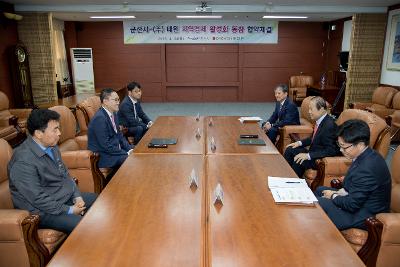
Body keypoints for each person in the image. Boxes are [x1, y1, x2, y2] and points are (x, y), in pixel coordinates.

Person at [8, 109, 97, 234]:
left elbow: (65, 175)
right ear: (39, 134)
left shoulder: (52, 146)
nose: (59, 133)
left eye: (58, 128)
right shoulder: (23, 161)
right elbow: (37, 198)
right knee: (84, 226)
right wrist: (70, 210)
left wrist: (77, 196)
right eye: (55, 129)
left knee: (99, 202)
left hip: (61, 198)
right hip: (40, 211)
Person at [315, 119, 391, 230]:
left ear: (360, 145)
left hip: (364, 214)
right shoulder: (366, 154)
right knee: (319, 189)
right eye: (339, 145)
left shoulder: (367, 167)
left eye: (344, 146)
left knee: (318, 202)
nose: (341, 150)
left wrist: (333, 195)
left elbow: (352, 205)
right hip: (358, 201)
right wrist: (339, 192)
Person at [283, 96, 340, 177]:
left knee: (299, 159)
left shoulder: (329, 126)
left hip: (319, 158)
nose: (309, 112)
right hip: (313, 152)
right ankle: (285, 175)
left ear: (321, 109)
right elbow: (314, 138)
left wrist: (308, 156)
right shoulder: (320, 121)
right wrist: (299, 143)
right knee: (290, 149)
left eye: (311, 109)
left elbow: (331, 150)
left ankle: (293, 183)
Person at [88, 88, 133, 171]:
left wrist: (130, 149)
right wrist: (125, 153)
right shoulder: (100, 118)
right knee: (131, 159)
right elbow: (105, 145)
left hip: (114, 151)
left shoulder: (113, 114)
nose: (118, 102)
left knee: (137, 150)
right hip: (104, 156)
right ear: (105, 101)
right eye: (115, 100)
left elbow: (119, 136)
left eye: (118, 99)